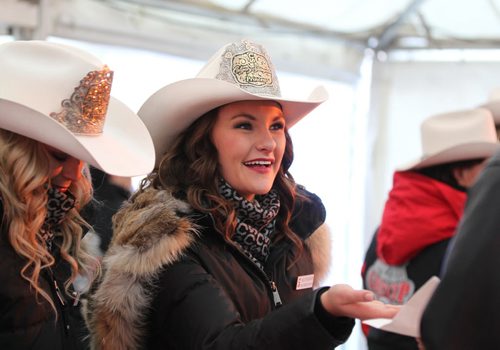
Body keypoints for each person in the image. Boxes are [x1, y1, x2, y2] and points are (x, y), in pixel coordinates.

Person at [85, 40, 399, 350]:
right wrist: (320, 312)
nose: (269, 143)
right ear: (204, 142)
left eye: (276, 126)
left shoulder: (296, 228)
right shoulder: (172, 241)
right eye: (245, 126)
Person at [0, 40, 155, 349]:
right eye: (60, 155)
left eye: (84, 161)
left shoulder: (48, 232)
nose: (75, 175)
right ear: (13, 152)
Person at [361, 108, 499, 350]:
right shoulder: (464, 242)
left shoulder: (386, 228)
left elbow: (366, 304)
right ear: (461, 173)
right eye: (489, 168)